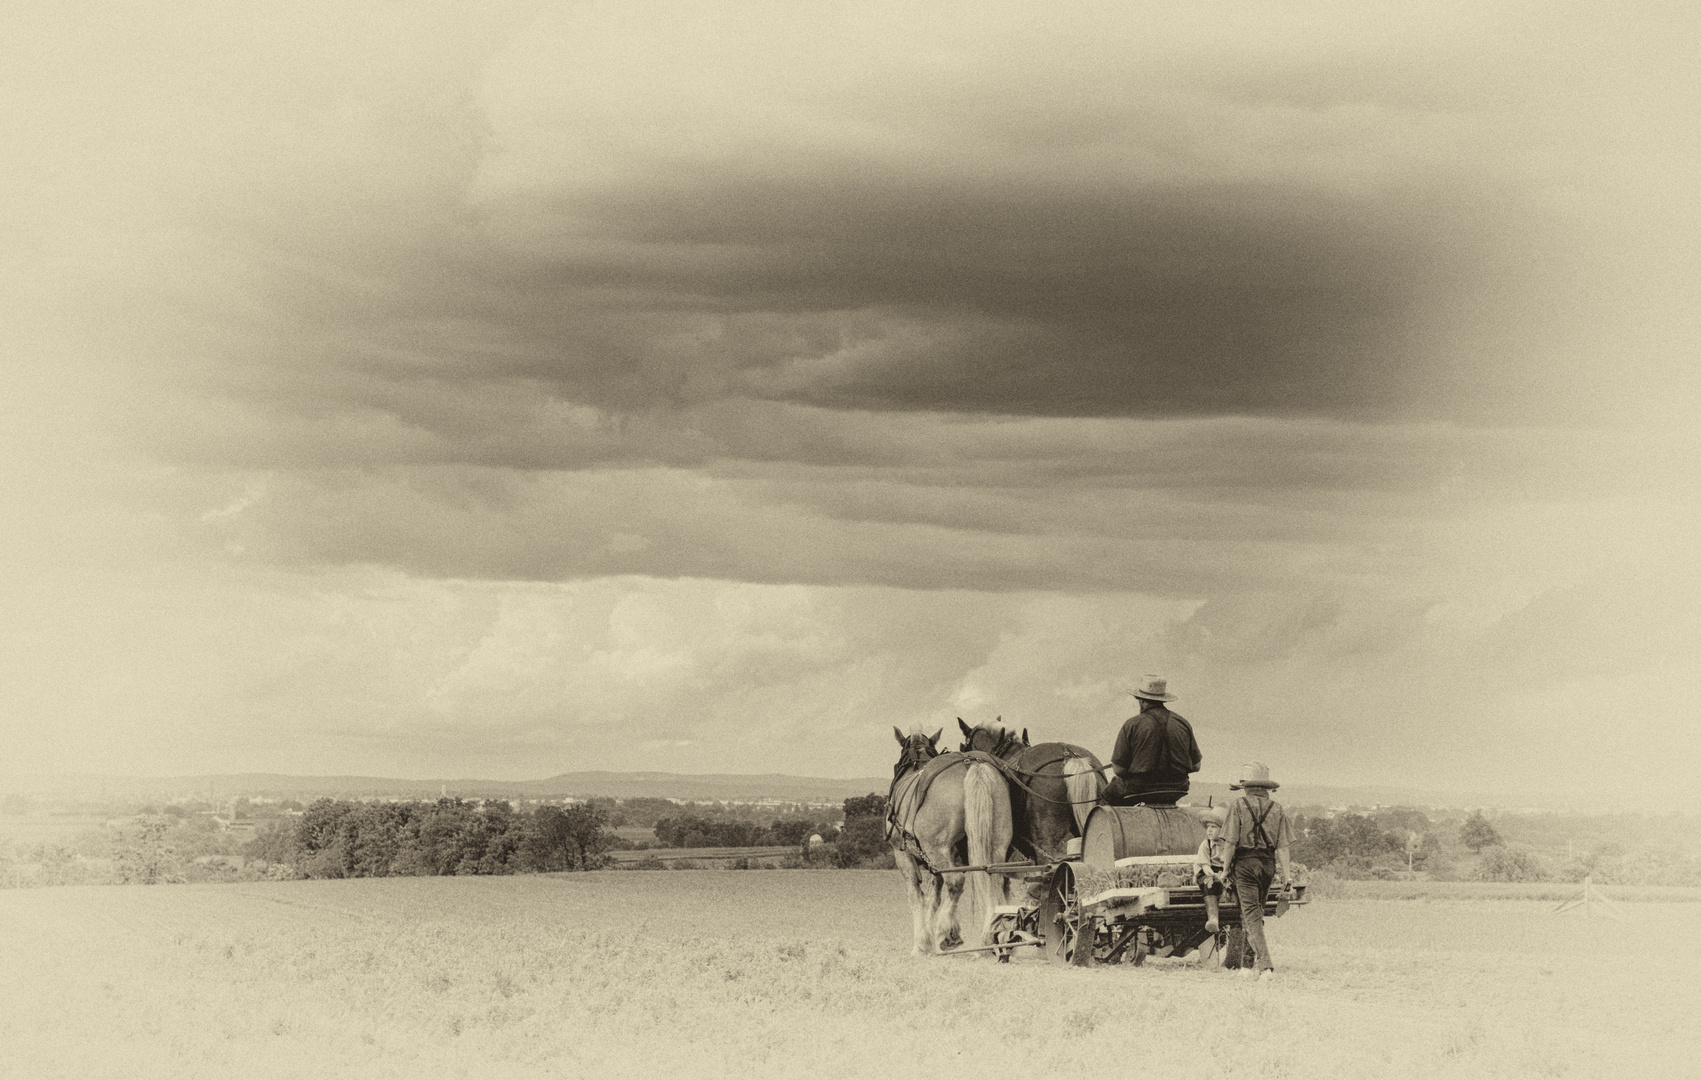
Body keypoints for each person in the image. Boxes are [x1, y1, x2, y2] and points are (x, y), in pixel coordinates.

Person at [1220, 762, 1293, 982]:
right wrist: (1287, 876)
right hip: (1268, 865)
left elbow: (1230, 842)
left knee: (1251, 915)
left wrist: (1224, 870)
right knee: (1254, 914)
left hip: (1245, 864)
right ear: (1266, 787)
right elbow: (1283, 847)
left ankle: (1266, 967)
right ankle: (1245, 965)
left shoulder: (1238, 805)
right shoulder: (1278, 808)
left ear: (1246, 786)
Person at [1104, 675, 1201, 805]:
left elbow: (1118, 770)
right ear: (1162, 699)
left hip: (1140, 787)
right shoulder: (1182, 723)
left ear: (1142, 700)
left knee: (1106, 795)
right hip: (1177, 788)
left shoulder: (1132, 724)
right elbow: (1196, 766)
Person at [1193, 812, 1228, 933]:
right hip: (1208, 872)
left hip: (1225, 871)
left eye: (1213, 827)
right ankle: (1213, 918)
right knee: (1210, 884)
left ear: (1222, 829)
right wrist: (1213, 875)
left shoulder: (1228, 844)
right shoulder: (1205, 844)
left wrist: (1225, 874)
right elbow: (1205, 865)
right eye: (1208, 827)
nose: (1209, 830)